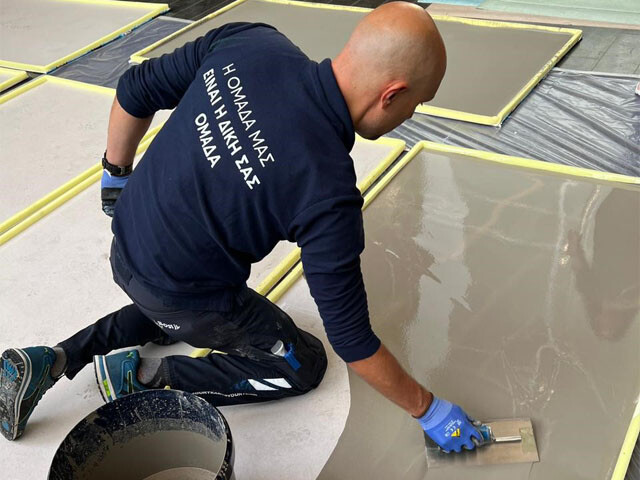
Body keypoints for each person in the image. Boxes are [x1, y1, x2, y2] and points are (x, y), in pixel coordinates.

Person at [0, 2, 482, 453]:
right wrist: (429, 410)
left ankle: (55, 358)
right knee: (302, 364)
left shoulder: (252, 42)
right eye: (416, 104)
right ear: (391, 94)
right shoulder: (327, 190)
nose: (412, 115)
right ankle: (146, 375)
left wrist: (116, 176)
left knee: (176, 302)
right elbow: (353, 341)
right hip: (179, 292)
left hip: (127, 243)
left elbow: (134, 90)